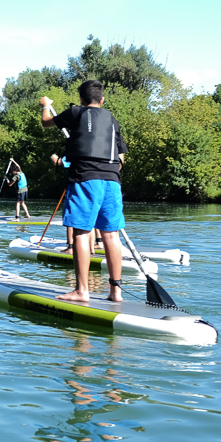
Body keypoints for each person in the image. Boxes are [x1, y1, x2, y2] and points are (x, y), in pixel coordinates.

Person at [41, 80, 128, 302]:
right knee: (111, 234)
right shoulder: (112, 119)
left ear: (81, 99)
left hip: (85, 180)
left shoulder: (76, 112)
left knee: (81, 231)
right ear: (102, 100)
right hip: (112, 181)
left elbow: (46, 123)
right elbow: (121, 158)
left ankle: (81, 291)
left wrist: (45, 104)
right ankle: (115, 292)